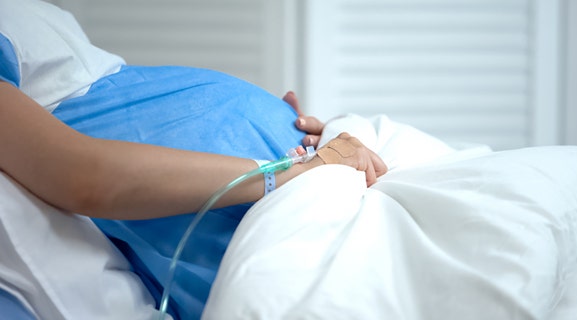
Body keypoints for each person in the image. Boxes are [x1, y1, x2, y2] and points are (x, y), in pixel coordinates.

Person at [0, 0, 387, 319]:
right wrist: (293, 173)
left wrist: (311, 139)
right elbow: (79, 174)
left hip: (320, 187)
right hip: (267, 229)